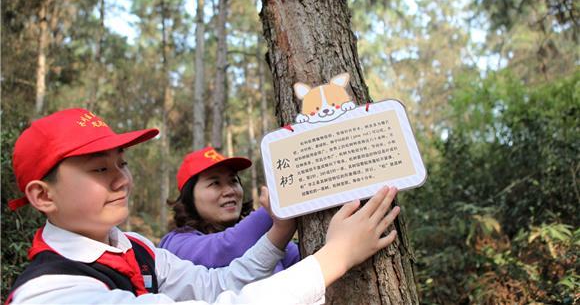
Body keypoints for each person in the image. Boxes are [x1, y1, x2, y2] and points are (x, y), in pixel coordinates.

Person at [6, 108, 400, 304]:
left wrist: (280, 230)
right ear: (44, 196)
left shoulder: (137, 248)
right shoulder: (51, 293)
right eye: (99, 169)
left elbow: (216, 285)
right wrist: (336, 257)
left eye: (122, 164)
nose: (122, 180)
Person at [160, 147, 299, 272]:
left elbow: (301, 261)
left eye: (233, 181)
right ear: (189, 197)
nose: (229, 191)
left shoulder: (260, 236)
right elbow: (226, 247)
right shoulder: (176, 244)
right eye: (215, 183)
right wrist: (279, 202)